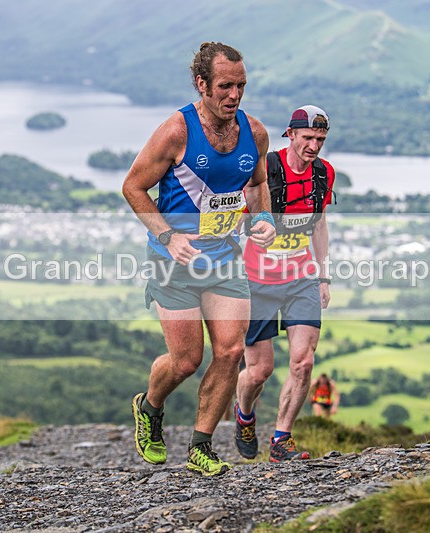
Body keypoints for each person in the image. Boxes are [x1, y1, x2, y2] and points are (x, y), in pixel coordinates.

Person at [122, 42, 276, 476]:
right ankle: (150, 406)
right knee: (186, 361)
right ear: (202, 84)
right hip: (173, 262)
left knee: (229, 351)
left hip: (224, 259)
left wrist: (261, 218)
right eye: (225, 86)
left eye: (241, 86)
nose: (235, 95)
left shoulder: (255, 132)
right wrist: (169, 236)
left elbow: (256, 184)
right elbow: (133, 188)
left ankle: (201, 445)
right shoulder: (176, 132)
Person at [233, 105, 335, 462]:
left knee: (303, 362)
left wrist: (322, 275)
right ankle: (244, 414)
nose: (314, 146)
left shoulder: (323, 174)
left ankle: (281, 441)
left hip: (302, 279)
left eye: (320, 139)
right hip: (257, 282)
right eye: (307, 137)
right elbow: (235, 218)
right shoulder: (266, 170)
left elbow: (319, 223)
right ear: (290, 135)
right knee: (258, 371)